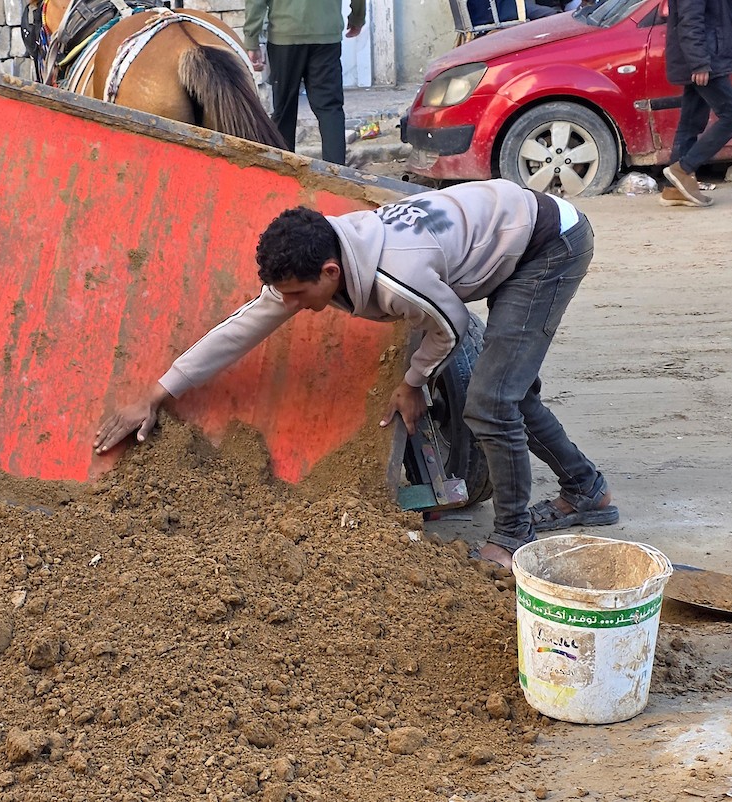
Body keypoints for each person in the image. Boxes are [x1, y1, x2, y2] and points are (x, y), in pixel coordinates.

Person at [93, 179, 618, 568]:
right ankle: (586, 490)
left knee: (491, 402)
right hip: (505, 234)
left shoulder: (395, 277)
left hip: (549, 244)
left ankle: (511, 535)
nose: (290, 305)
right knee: (508, 393)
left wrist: (411, 384)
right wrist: (157, 392)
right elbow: (240, 329)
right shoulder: (322, 251)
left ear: (330, 272)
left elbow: (452, 328)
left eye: (297, 295)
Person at [243, 0, 365, 165]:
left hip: (285, 34)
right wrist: (357, 17)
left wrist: (252, 39)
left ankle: (283, 170)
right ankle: (336, 172)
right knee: (330, 108)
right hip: (325, 33)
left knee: (284, 109)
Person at [659, 0, 732, 208]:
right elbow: (690, 21)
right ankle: (683, 168)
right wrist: (699, 63)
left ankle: (674, 190)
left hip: (707, 57)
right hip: (706, 60)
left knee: (691, 123)